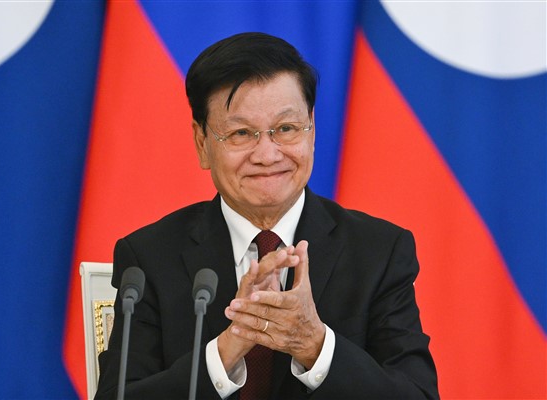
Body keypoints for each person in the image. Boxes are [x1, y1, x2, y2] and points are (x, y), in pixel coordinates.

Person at [95, 32, 438, 399]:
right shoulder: (150, 256)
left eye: (286, 129)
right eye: (242, 133)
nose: (267, 155)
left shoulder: (378, 252)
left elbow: (418, 395)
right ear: (202, 143)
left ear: (312, 130)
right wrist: (225, 352)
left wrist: (315, 346)